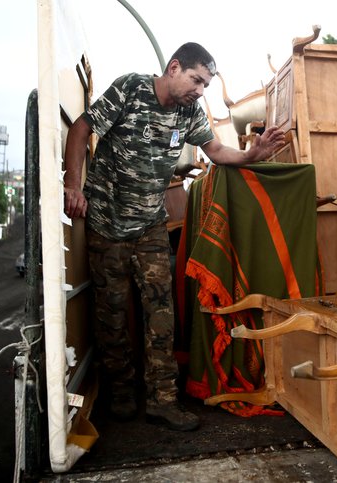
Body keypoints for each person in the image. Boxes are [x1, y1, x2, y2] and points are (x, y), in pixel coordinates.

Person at [63, 42, 284, 431]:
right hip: (106, 223)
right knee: (111, 317)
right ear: (175, 67)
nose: (200, 90)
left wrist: (253, 155)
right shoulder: (131, 89)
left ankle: (163, 399)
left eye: (206, 85)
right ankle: (121, 394)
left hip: (150, 226)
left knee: (160, 316)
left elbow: (216, 151)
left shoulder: (189, 112)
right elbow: (82, 129)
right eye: (197, 80)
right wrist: (73, 185)